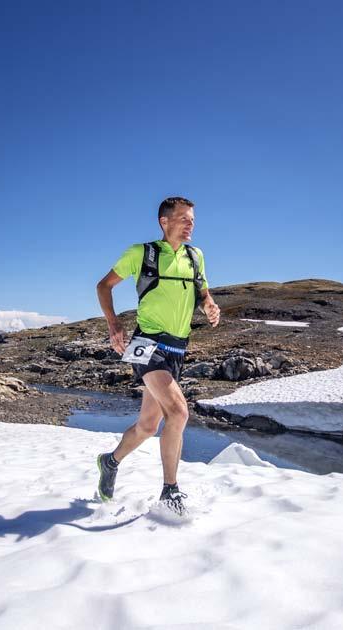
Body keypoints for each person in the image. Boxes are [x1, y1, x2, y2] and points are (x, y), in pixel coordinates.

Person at [94, 196, 220, 514]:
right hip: (147, 343)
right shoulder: (142, 253)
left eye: (192, 218)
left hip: (178, 347)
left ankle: (110, 462)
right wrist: (114, 325)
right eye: (183, 218)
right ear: (165, 222)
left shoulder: (196, 256)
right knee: (178, 413)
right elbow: (104, 286)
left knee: (148, 426)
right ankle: (170, 491)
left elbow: (201, 288)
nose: (190, 223)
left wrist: (208, 304)